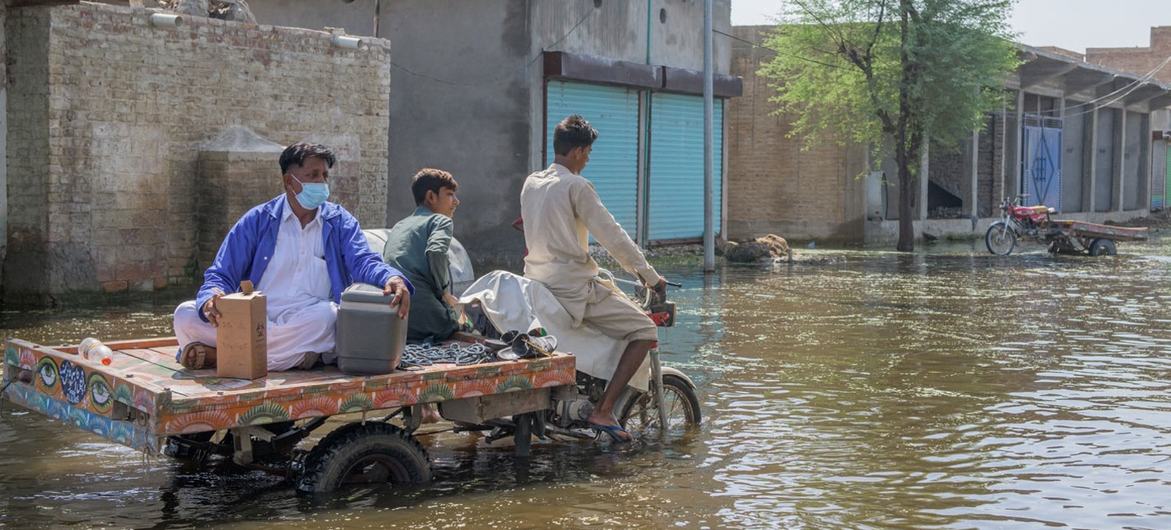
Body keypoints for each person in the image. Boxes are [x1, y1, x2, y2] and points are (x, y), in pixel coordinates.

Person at [172, 142, 413, 371]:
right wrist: (211, 298)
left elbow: (363, 261)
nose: (321, 183)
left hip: (307, 318)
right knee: (185, 314)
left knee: (329, 317)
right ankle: (286, 357)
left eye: (325, 176)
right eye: (313, 175)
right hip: (255, 316)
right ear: (290, 181)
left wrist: (390, 277)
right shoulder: (257, 220)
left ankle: (224, 356)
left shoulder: (340, 222)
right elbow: (221, 272)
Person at [520, 114, 667, 442]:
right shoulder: (576, 185)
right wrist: (651, 277)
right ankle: (603, 409)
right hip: (572, 287)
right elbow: (612, 237)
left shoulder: (532, 182)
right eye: (587, 154)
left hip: (536, 283)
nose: (587, 160)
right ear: (576, 152)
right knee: (645, 329)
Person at [383, 168, 463, 343]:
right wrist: (444, 292)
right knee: (460, 322)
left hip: (391, 316)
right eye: (450, 195)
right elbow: (436, 252)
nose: (456, 201)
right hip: (423, 315)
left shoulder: (399, 225)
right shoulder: (441, 221)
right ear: (431, 197)